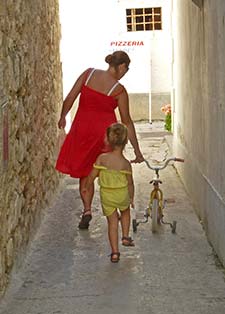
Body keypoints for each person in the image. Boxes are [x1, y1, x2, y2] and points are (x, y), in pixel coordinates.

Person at [56, 50, 144, 229]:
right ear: (121, 66)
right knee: (111, 171)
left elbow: (71, 97)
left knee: (84, 173)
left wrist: (63, 116)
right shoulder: (118, 90)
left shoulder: (88, 74)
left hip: (82, 131)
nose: (124, 74)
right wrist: (136, 149)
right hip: (106, 136)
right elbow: (127, 121)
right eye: (126, 70)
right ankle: (116, 208)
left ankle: (87, 209)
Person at [82, 123, 135, 263]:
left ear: (108, 140)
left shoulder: (102, 158)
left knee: (112, 223)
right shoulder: (125, 163)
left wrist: (86, 187)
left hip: (107, 196)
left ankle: (115, 253)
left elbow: (92, 176)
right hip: (122, 194)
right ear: (125, 142)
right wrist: (131, 197)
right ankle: (125, 236)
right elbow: (130, 183)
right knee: (125, 212)